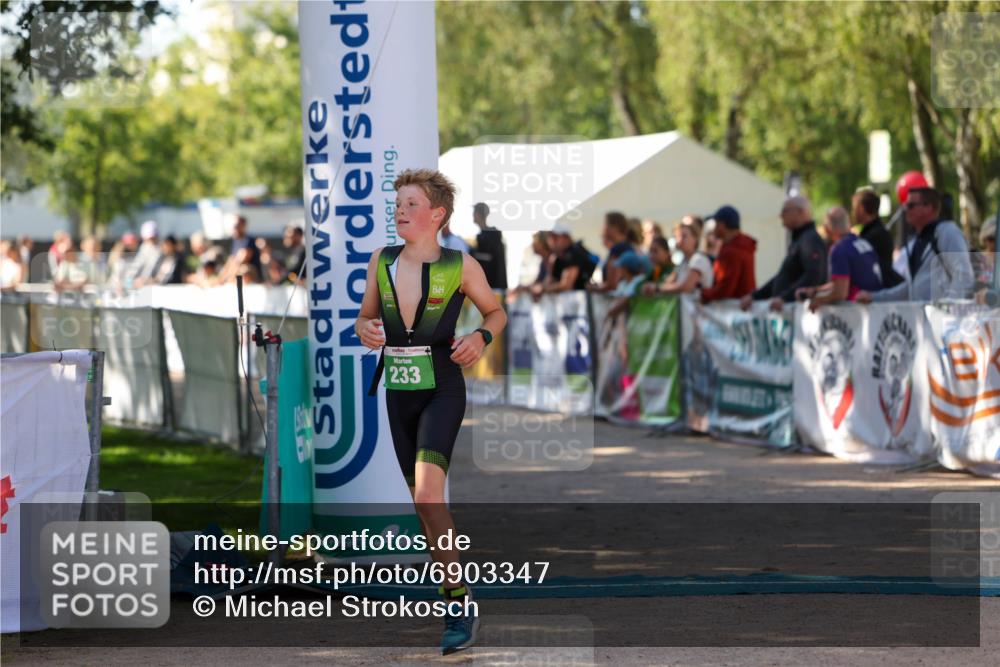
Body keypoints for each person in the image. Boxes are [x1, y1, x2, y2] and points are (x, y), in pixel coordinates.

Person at [355, 168, 505, 655]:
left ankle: (457, 603)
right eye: (397, 203)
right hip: (398, 391)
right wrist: (364, 329)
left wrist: (481, 336)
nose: (400, 210)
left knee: (427, 497)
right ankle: (455, 590)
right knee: (423, 507)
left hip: (442, 388)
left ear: (437, 214)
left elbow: (496, 311)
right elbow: (365, 316)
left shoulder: (460, 265)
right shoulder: (381, 260)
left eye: (411, 204)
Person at [857, 187, 974, 303]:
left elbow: (964, 276)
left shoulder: (947, 232)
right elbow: (911, 288)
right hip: (923, 314)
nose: (905, 209)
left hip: (940, 314)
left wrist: (947, 310)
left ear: (928, 207)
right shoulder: (917, 241)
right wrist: (874, 297)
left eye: (910, 205)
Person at [741, 195, 827, 312]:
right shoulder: (800, 240)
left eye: (785, 211)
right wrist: (755, 296)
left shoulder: (810, 240)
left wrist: (785, 298)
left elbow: (814, 275)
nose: (781, 216)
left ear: (801, 212)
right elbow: (784, 276)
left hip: (800, 313)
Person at [797, 207, 883, 312]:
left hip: (858, 311)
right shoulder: (863, 242)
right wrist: (816, 290)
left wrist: (817, 300)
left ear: (827, 229)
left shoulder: (840, 249)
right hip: (876, 307)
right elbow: (843, 282)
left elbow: (840, 293)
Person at [699, 205, 757, 303]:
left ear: (722, 225)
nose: (714, 228)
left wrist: (703, 294)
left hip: (735, 307)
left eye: (716, 224)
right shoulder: (738, 245)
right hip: (740, 304)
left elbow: (725, 288)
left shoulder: (734, 250)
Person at [644, 219, 714, 296]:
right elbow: (668, 281)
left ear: (695, 238)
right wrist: (651, 286)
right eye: (677, 236)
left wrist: (657, 288)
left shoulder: (699, 259)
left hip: (697, 304)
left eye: (684, 236)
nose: (680, 240)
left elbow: (686, 287)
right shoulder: (683, 262)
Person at [852, 187, 902, 288]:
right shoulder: (877, 232)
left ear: (861, 208)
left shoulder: (874, 235)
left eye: (854, 208)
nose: (853, 212)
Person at [542, 223, 597, 293]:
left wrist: (543, 289)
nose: (552, 241)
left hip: (580, 297)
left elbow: (566, 286)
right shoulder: (555, 257)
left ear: (566, 238)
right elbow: (549, 281)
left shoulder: (575, 253)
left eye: (555, 237)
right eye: (550, 237)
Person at [470, 202, 507, 289]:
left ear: (478, 214)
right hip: (490, 286)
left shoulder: (491, 236)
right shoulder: (485, 235)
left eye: (474, 212)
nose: (473, 215)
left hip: (493, 287)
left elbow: (489, 261)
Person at [973, 214, 996, 303]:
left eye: (995, 238)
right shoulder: (977, 257)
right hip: (978, 301)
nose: (992, 242)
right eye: (990, 238)